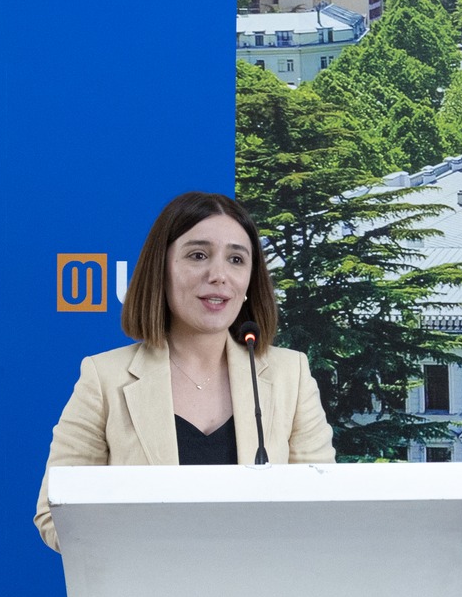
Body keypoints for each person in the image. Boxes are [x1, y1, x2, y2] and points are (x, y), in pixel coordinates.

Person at [34, 192, 335, 549]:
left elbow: (324, 509)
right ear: (160, 270)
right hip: (147, 581)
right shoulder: (104, 378)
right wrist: (158, 551)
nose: (219, 275)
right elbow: (55, 515)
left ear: (249, 281)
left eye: (236, 259)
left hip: (265, 583)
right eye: (198, 255)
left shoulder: (290, 375)